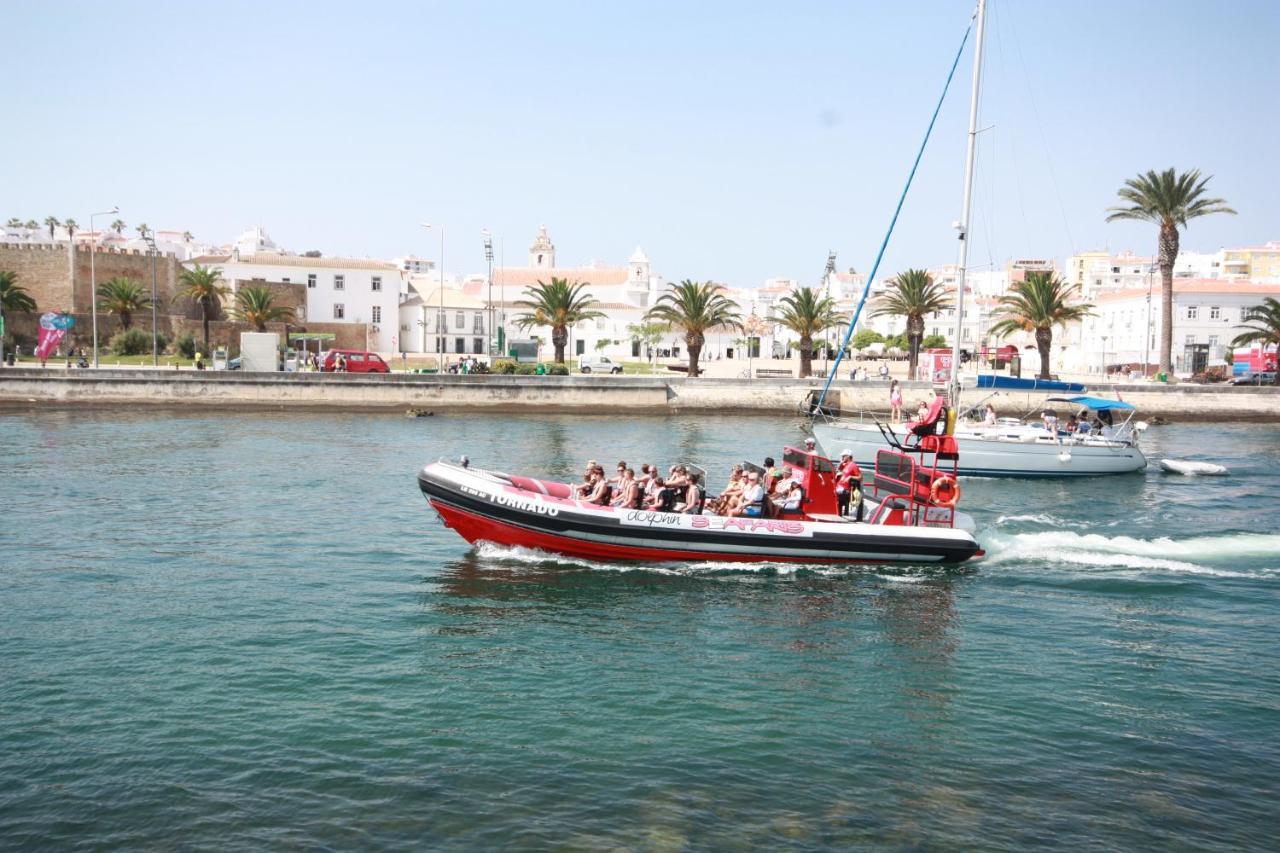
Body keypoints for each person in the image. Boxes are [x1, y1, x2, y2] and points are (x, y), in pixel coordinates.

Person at [835, 449, 862, 517]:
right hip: (839, 486)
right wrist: (841, 463)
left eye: (844, 456)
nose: (842, 458)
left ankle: (838, 514)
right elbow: (839, 469)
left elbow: (860, 477)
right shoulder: (845, 465)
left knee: (836, 494)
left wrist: (850, 477)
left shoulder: (853, 466)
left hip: (845, 489)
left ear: (848, 456)